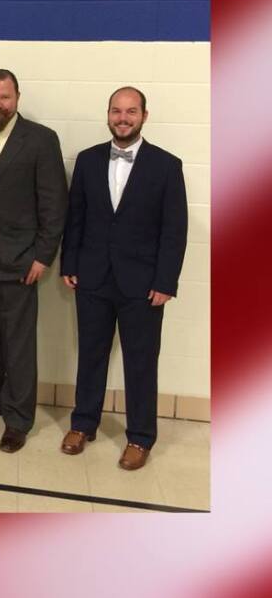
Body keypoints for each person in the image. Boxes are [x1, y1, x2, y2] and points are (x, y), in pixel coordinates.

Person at [60, 86, 187, 470]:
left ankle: (141, 437)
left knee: (141, 362)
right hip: (93, 278)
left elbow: (174, 230)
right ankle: (83, 424)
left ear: (144, 116)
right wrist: (70, 263)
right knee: (91, 355)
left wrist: (166, 282)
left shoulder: (167, 165)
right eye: (116, 110)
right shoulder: (87, 160)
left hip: (143, 285)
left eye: (131, 111)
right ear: (108, 114)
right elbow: (76, 217)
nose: (123, 118)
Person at [0, 69, 68, 453]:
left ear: (17, 98)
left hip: (20, 262)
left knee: (18, 344)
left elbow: (54, 205)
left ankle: (18, 418)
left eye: (5, 97)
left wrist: (43, 256)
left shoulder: (40, 140)